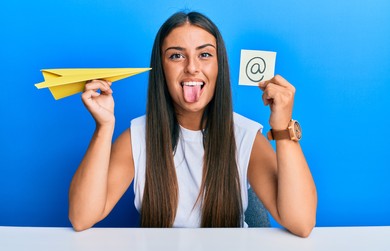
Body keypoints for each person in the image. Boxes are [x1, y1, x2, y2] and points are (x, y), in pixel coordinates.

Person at [68, 11, 317, 237]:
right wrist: (104, 127)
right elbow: (82, 218)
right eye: (176, 56)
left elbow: (301, 223)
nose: (192, 67)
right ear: (161, 69)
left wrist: (283, 126)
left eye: (205, 54)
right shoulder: (138, 136)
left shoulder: (245, 136)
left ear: (219, 66)